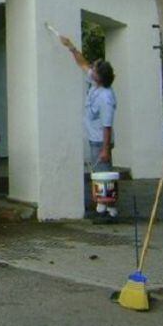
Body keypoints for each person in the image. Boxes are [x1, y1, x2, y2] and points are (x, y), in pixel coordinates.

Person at [58, 33, 118, 220]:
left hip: (101, 140)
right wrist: (71, 47)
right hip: (95, 139)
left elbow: (107, 125)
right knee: (99, 172)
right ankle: (104, 206)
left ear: (100, 76)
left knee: (103, 174)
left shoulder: (106, 98)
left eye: (96, 68)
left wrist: (106, 149)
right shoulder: (95, 83)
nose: (91, 68)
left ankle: (108, 209)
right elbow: (82, 64)